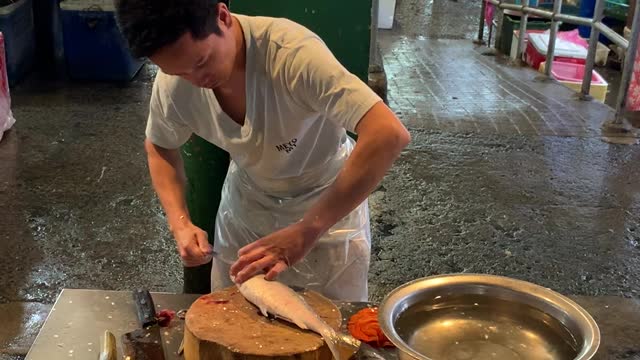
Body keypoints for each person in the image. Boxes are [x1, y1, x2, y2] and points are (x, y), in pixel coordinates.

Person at [115, 0, 410, 301]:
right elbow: (160, 145)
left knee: (331, 327)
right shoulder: (174, 82)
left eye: (202, 62)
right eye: (178, 72)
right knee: (233, 317)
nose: (196, 80)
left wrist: (308, 229)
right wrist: (179, 222)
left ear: (222, 17)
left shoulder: (293, 54)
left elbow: (387, 133)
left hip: (326, 203)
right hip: (248, 204)